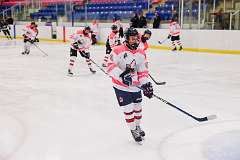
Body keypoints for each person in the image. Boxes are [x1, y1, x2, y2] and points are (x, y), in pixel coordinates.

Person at [107, 27, 154, 144]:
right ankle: (133, 129)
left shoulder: (141, 53)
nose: (135, 41)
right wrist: (122, 76)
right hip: (120, 86)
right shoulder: (117, 50)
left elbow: (143, 72)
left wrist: (146, 84)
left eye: (136, 38)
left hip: (135, 85)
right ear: (126, 39)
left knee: (138, 108)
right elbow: (110, 66)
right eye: (132, 38)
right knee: (128, 109)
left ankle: (137, 126)